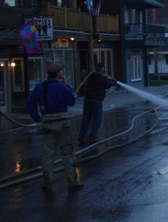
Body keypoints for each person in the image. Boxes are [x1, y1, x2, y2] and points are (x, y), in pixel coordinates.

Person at [27, 63, 83, 193]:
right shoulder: (60, 86)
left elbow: (30, 103)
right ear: (58, 74)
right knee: (67, 153)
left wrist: (37, 118)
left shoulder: (40, 87)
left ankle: (47, 182)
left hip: (48, 122)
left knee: (48, 153)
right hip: (62, 121)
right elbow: (72, 101)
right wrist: (66, 84)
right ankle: (72, 182)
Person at [78, 62, 115, 146]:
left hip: (87, 99)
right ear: (102, 70)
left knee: (86, 119)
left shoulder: (90, 76)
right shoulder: (102, 77)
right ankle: (93, 137)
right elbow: (108, 85)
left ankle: (81, 135)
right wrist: (109, 79)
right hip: (97, 100)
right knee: (97, 119)